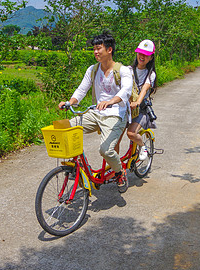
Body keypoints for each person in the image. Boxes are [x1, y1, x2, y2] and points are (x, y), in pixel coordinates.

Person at [59, 33, 132, 193]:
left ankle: (120, 173)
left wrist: (111, 101)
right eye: (94, 49)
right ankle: (78, 166)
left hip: (115, 114)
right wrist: (70, 102)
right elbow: (82, 89)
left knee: (105, 150)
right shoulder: (93, 69)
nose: (95, 52)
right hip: (95, 112)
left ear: (109, 50)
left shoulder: (123, 70)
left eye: (99, 48)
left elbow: (126, 90)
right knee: (65, 128)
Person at [127, 39, 157, 162]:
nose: (142, 56)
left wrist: (137, 102)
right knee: (114, 137)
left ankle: (143, 146)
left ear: (151, 58)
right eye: (140, 53)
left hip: (141, 110)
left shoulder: (151, 74)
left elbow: (145, 89)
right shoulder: (128, 70)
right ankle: (115, 169)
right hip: (127, 109)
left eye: (146, 55)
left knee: (131, 133)